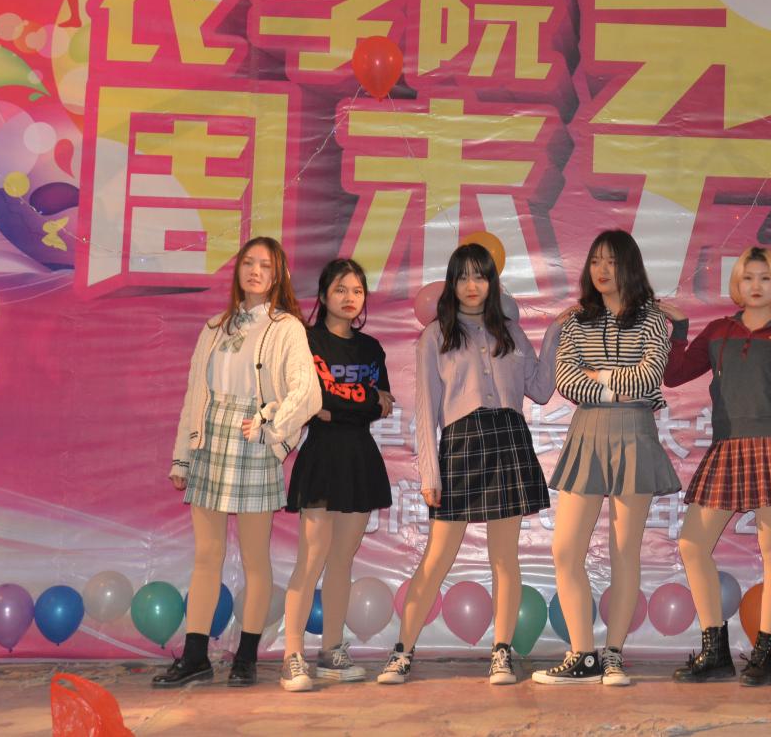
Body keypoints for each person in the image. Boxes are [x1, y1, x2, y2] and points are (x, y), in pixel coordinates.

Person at [380, 243, 568, 686]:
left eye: (479, 276)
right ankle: (402, 652)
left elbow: (541, 390)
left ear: (491, 282)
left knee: (505, 557)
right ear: (452, 282)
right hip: (462, 444)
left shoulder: (510, 332)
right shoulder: (436, 335)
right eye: (462, 276)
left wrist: (556, 332)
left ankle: (501, 652)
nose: (471, 285)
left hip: (509, 440)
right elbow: (426, 408)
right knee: (437, 558)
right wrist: (430, 473)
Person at [154, 237, 321, 689]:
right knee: (206, 555)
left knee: (254, 558)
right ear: (238, 270)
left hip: (252, 443)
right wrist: (183, 456)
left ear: (278, 274)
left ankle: (246, 656)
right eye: (248, 262)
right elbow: (195, 394)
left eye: (265, 265)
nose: (255, 271)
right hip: (210, 439)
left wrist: (271, 423)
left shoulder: (286, 327)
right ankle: (195, 656)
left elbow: (307, 392)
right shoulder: (214, 327)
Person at [532, 229, 681, 686]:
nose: (601, 270)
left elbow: (650, 376)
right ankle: (583, 654)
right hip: (588, 431)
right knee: (565, 549)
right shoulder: (577, 320)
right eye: (596, 260)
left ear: (629, 266)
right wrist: (614, 385)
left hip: (634, 432)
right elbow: (566, 379)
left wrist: (599, 377)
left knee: (624, 551)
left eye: (612, 262)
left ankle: (613, 653)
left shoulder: (652, 319)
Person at [664, 247, 771, 686]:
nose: (756, 286)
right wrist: (679, 330)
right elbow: (674, 375)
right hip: (728, 445)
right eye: (748, 277)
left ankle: (765, 653)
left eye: (765, 278)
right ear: (736, 282)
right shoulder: (719, 330)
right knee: (692, 543)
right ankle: (716, 651)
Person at [280, 258, 394, 692]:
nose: (350, 298)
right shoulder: (306, 341)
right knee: (310, 559)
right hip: (322, 456)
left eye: (357, 291)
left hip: (360, 458)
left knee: (342, 561)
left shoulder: (371, 348)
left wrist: (339, 405)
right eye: (341, 289)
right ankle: (292, 655)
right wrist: (357, 401)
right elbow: (310, 402)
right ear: (324, 294)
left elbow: (382, 405)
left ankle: (331, 650)